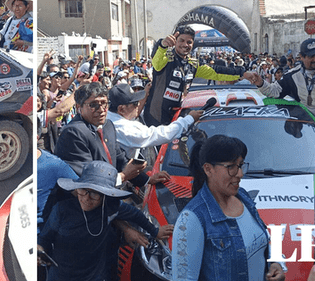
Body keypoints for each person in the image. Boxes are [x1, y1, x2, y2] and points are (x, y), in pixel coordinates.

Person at [172, 135, 285, 281]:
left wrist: (275, 262)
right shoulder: (192, 220)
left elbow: (261, 239)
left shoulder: (243, 197)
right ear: (208, 169)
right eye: (231, 167)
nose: (240, 174)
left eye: (241, 165)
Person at [38, 161, 173, 281]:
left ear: (105, 196)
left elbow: (135, 214)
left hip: (94, 275)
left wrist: (155, 231)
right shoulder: (62, 210)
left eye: (94, 193)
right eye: (83, 190)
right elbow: (45, 238)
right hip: (61, 275)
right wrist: (39, 249)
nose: (86, 198)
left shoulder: (110, 207)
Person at [245, 38, 315, 142]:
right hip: (307, 128)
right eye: (311, 56)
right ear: (302, 57)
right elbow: (273, 91)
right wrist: (260, 83)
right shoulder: (292, 76)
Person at [143, 25, 245, 127]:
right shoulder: (165, 59)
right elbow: (156, 59)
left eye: (189, 42)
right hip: (155, 120)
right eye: (181, 41)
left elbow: (217, 72)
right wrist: (162, 44)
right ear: (175, 42)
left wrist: (242, 74)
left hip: (177, 119)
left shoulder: (193, 64)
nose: (185, 45)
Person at [55, 83, 148, 186]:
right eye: (94, 105)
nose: (101, 109)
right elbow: (87, 178)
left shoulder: (108, 126)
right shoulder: (73, 133)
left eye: (104, 103)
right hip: (86, 198)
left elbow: (120, 160)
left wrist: (148, 180)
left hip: (109, 194)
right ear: (78, 107)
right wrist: (123, 176)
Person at [107, 83, 203, 161]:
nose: (138, 105)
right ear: (121, 109)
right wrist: (189, 119)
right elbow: (160, 134)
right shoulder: (124, 128)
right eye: (135, 103)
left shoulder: (109, 117)